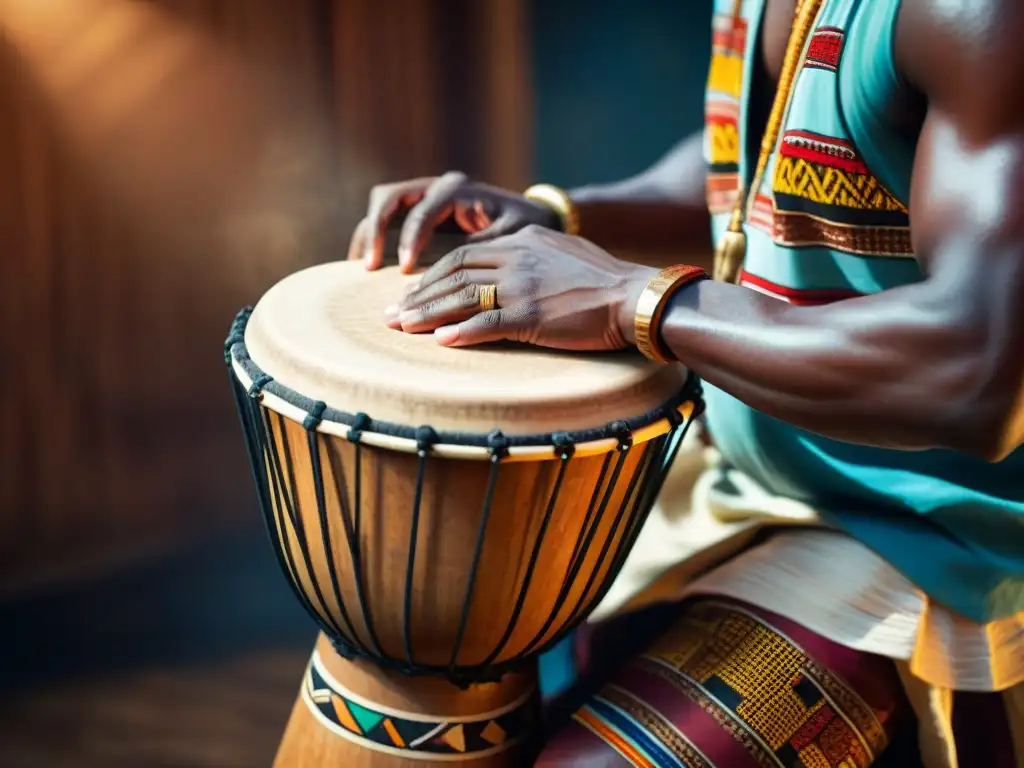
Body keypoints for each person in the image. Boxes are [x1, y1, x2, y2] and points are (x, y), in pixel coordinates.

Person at [349, 0, 1024, 765]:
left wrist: (629, 299)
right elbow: (747, 155)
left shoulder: (977, 16)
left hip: (927, 541)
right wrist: (558, 217)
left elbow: (973, 369)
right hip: (749, 482)